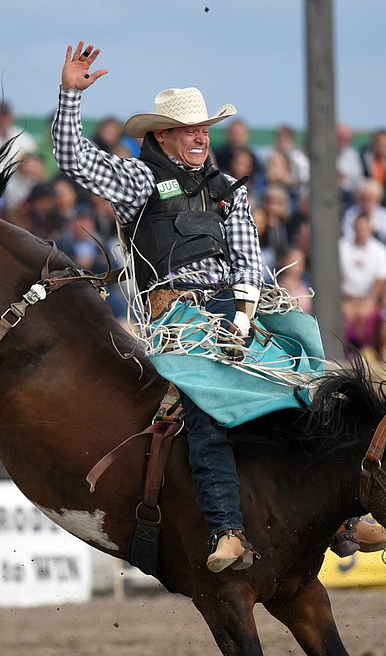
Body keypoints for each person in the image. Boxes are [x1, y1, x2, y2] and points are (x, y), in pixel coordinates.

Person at [52, 40, 268, 572]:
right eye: (189, 129)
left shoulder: (228, 190)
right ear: (162, 136)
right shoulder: (139, 180)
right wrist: (69, 96)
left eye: (204, 129)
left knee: (308, 367)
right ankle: (227, 529)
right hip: (180, 319)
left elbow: (249, 261)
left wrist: (242, 317)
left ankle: (342, 511)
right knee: (209, 408)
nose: (201, 137)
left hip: (234, 310)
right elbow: (73, 156)